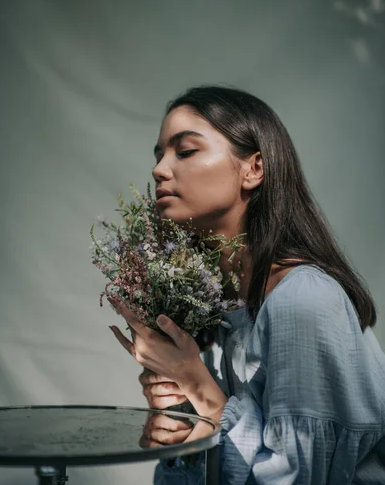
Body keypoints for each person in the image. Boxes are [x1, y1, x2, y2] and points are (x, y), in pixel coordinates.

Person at [109, 84, 385, 484]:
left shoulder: (302, 301)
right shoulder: (227, 304)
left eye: (185, 151)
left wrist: (196, 384)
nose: (159, 169)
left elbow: (301, 477)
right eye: (159, 155)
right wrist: (185, 420)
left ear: (253, 169)